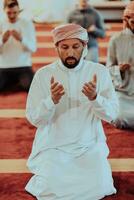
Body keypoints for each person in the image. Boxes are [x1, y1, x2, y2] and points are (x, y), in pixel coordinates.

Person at [25, 23, 118, 200]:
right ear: (56, 48)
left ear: (84, 47)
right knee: (50, 190)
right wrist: (51, 101)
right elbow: (34, 119)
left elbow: (112, 114)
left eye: (75, 47)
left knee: (100, 187)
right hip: (53, 146)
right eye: (64, 47)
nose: (70, 53)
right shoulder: (44, 75)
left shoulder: (99, 72)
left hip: (89, 144)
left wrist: (95, 98)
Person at [106, 1, 134, 129]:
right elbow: (108, 70)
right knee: (118, 118)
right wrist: (120, 70)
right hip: (124, 93)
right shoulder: (116, 40)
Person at [0, 0, 37, 92]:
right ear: (4, 10)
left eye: (15, 12)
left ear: (19, 10)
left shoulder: (27, 24)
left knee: (32, 88)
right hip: (4, 67)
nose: (12, 15)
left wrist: (21, 39)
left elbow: (33, 49)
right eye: (9, 13)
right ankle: (14, 84)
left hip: (23, 66)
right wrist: (2, 40)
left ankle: (13, 84)